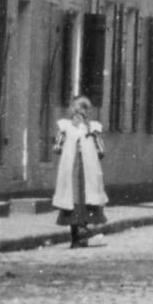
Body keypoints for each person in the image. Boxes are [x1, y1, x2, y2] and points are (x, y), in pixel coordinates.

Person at [52, 95, 108, 247]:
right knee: (73, 202)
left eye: (83, 111)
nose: (80, 114)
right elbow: (57, 147)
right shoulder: (65, 127)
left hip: (87, 172)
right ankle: (76, 238)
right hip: (72, 171)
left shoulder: (93, 128)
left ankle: (81, 236)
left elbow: (101, 150)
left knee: (85, 201)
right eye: (78, 111)